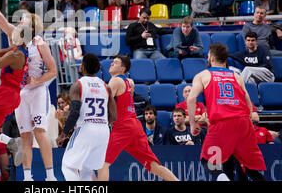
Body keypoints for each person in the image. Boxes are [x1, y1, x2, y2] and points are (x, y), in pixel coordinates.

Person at [0, 0, 58, 182]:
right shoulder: (13, 35)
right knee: (25, 136)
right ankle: (27, 177)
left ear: (31, 24)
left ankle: (51, 176)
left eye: (23, 18)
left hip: (37, 91)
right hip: (20, 93)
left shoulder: (40, 42)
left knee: (40, 132)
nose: (19, 19)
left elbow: (53, 71)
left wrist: (37, 81)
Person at [187, 43, 267, 181]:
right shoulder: (236, 76)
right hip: (243, 123)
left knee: (209, 161)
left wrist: (193, 124)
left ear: (211, 58)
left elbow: (191, 98)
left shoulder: (203, 75)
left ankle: (221, 177)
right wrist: (248, 122)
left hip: (222, 123)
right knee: (249, 168)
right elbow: (248, 100)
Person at [98, 55, 179, 181]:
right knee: (154, 167)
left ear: (123, 68)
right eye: (112, 62)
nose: (111, 64)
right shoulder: (128, 82)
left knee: (102, 163)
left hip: (123, 127)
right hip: (135, 126)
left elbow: (104, 104)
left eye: (116, 62)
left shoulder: (115, 81)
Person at [57, 53, 117, 181]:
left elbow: (74, 112)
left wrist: (64, 134)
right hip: (103, 130)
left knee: (68, 166)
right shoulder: (105, 86)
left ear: (83, 66)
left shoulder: (78, 85)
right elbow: (114, 116)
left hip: (86, 128)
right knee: (86, 169)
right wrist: (100, 124)